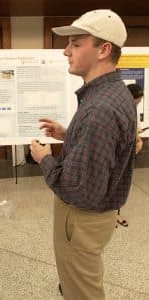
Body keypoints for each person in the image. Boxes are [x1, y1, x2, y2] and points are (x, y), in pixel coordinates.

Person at [30, 9, 136, 300]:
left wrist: (45, 158)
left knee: (82, 292)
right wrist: (69, 134)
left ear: (103, 50)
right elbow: (110, 148)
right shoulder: (112, 93)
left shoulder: (99, 109)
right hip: (95, 218)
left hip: (81, 219)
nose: (66, 51)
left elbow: (79, 191)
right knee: (83, 280)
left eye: (76, 44)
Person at [116, 83, 144, 227]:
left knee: (120, 184)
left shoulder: (131, 109)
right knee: (111, 183)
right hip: (114, 154)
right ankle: (108, 216)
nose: (136, 106)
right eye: (135, 103)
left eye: (138, 104)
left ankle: (116, 214)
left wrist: (138, 141)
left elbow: (134, 132)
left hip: (125, 155)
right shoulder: (115, 109)